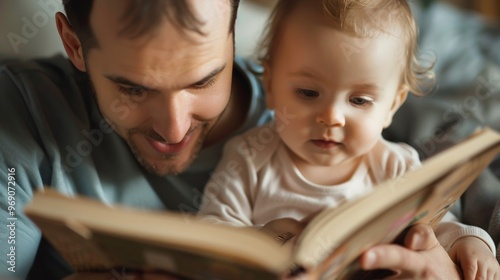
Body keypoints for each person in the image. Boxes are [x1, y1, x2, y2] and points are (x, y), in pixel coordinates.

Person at [0, 0, 492, 279]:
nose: (173, 129)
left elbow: (440, 222)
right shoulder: (19, 116)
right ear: (73, 45)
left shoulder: (374, 145)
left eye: (202, 81)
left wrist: (454, 254)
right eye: (133, 88)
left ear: (236, 34)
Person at [198, 0, 499, 279]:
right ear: (271, 86)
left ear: (392, 105)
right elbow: (209, 233)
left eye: (359, 100)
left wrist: (470, 241)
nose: (331, 117)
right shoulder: (249, 158)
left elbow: (434, 226)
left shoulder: (396, 166)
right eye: (308, 93)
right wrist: (262, 239)